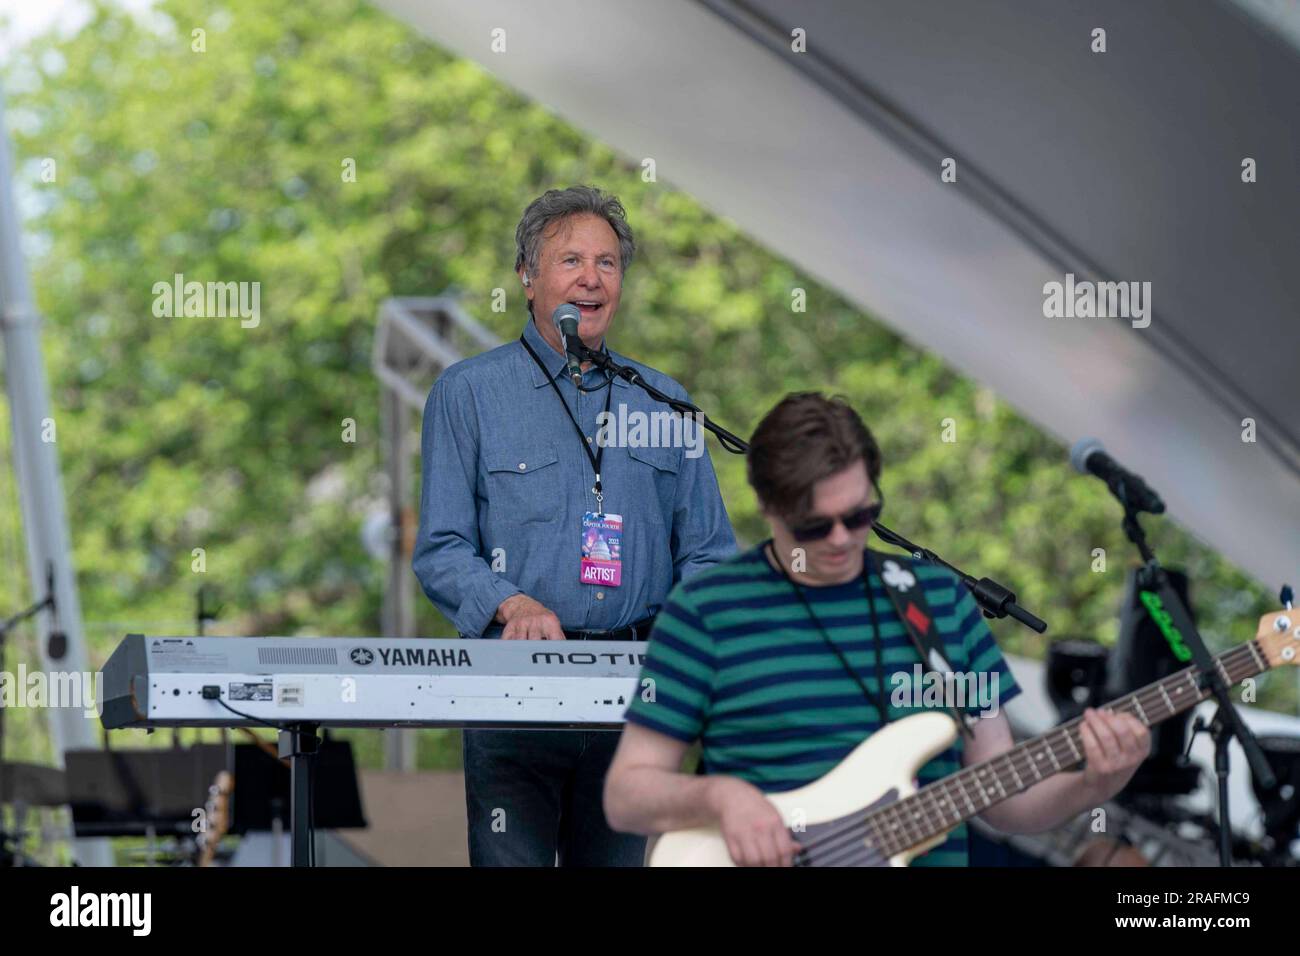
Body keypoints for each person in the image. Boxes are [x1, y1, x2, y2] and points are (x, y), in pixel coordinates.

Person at [604, 392, 1150, 866]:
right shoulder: (706, 610)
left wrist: (1095, 782)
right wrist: (721, 797)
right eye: (816, 525)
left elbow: (1004, 802)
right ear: (769, 508)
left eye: (859, 516)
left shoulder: (940, 604)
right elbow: (627, 794)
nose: (842, 539)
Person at [412, 185, 736, 866]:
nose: (591, 278)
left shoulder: (667, 401)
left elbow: (709, 554)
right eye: (570, 261)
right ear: (528, 278)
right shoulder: (466, 394)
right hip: (513, 696)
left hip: (634, 705)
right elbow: (440, 548)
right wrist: (511, 601)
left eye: (608, 263)